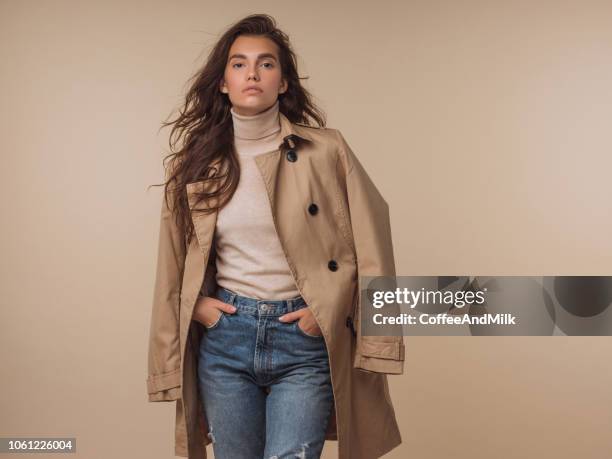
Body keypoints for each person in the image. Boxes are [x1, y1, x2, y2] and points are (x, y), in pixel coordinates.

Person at [147, 13, 405, 459]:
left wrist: (332, 313)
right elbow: (171, 265)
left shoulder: (326, 150)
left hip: (304, 338)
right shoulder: (195, 164)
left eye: (266, 64)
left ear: (283, 82)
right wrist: (200, 311)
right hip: (227, 337)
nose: (253, 73)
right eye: (239, 63)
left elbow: (372, 245)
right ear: (223, 82)